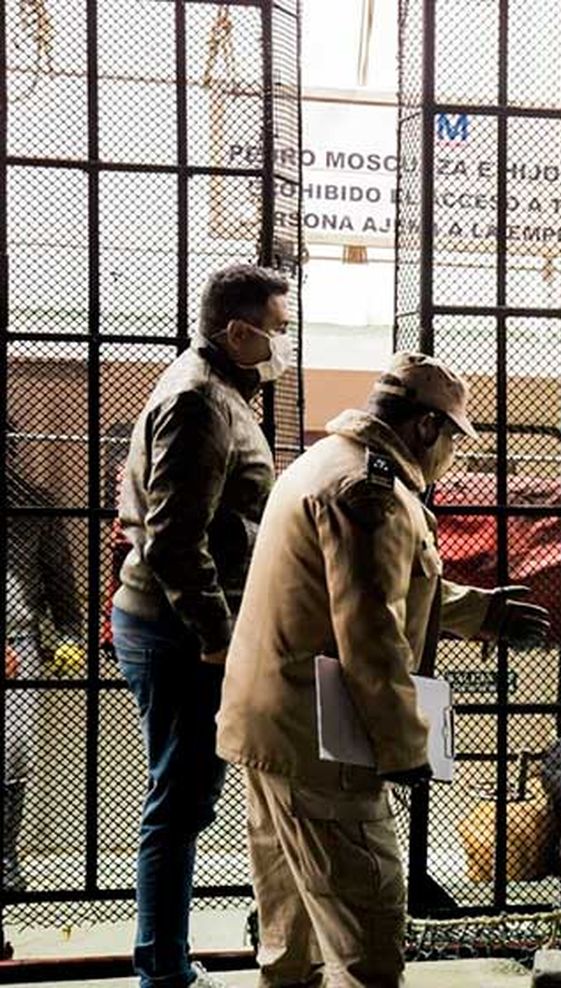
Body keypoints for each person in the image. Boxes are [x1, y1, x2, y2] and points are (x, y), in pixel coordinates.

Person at [217, 353, 549, 987]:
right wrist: (406, 748)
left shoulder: (324, 465)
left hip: (273, 734)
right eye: (454, 437)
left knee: (293, 945)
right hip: (320, 751)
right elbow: (371, 637)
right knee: (367, 945)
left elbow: (367, 588)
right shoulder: (371, 494)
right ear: (426, 428)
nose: (455, 454)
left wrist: (477, 611)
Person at [112, 263, 291, 988]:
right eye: (277, 331)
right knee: (179, 802)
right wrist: (219, 637)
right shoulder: (199, 403)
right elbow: (174, 539)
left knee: (182, 798)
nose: (283, 344)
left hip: (173, 626)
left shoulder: (212, 388)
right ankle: (163, 969)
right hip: (178, 632)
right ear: (239, 331)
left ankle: (165, 961)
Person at [4, 422, 84, 892]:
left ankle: (6, 856)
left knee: (15, 752)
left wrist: (68, 635)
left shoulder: (34, 505)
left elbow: (60, 584)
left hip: (21, 641)